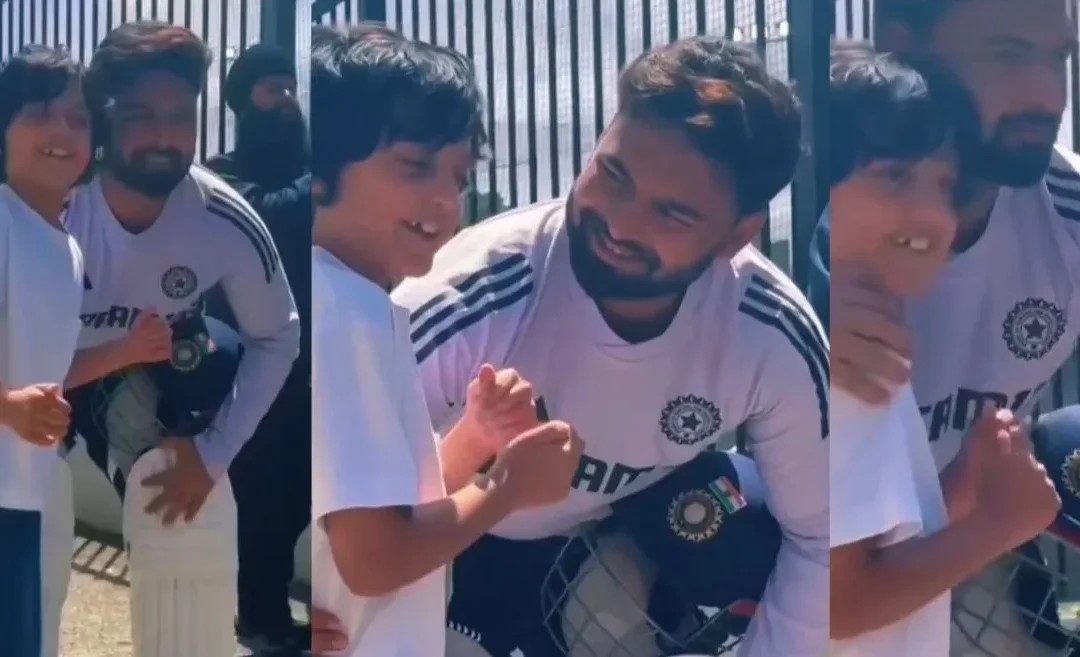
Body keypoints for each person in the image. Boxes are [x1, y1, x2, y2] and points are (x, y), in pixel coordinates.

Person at [316, 33, 827, 657]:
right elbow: (356, 532)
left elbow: (825, 537)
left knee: (736, 524)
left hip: (614, 536)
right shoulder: (451, 300)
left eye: (672, 213)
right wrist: (305, 602)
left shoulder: (770, 327)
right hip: (464, 546)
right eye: (612, 174)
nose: (620, 222)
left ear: (739, 236)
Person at [814, 0, 1080, 653]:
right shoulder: (806, 218)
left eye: (1060, 58)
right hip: (810, 549)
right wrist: (804, 330)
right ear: (903, 44)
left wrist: (988, 510)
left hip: (968, 510)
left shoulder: (1066, 207)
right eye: (1009, 54)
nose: (1048, 94)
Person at [309, 25, 582, 657]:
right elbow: (376, 559)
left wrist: (474, 439)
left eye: (459, 177)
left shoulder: (341, 300)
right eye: (414, 165)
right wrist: (508, 485)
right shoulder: (348, 316)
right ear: (320, 166)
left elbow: (379, 506)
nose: (444, 197)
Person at [58, 19, 300, 652]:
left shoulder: (223, 217)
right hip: (43, 381)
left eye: (179, 115)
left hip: (153, 375)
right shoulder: (53, 206)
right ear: (103, 119)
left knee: (214, 369)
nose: (164, 137)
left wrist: (212, 454)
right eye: (140, 115)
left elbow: (279, 337)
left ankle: (224, 620)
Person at [205, 42, 312, 653]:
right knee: (260, 498)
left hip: (313, 359)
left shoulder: (306, 166)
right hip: (249, 361)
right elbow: (269, 216)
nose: (287, 99)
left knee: (299, 493)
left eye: (290, 86)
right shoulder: (223, 175)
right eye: (273, 89)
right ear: (245, 102)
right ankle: (261, 620)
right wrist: (321, 179)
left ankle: (268, 615)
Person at [0, 44, 90, 657]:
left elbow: (47, 369)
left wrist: (132, 349)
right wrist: (7, 407)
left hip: (23, 497)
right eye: (40, 111)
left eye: (80, 118)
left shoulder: (66, 245)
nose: (62, 131)